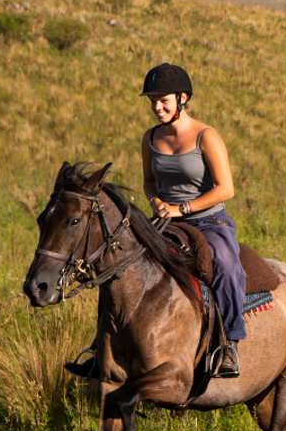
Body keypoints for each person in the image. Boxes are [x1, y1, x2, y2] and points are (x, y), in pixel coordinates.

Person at [66, 63, 246, 379]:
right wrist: (157, 202)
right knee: (115, 266)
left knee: (229, 268)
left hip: (209, 223)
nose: (156, 107)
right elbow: (149, 181)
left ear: (183, 98)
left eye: (163, 100)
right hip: (164, 221)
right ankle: (101, 350)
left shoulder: (207, 136)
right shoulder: (150, 138)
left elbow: (226, 189)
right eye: (152, 101)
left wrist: (184, 208)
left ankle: (229, 344)